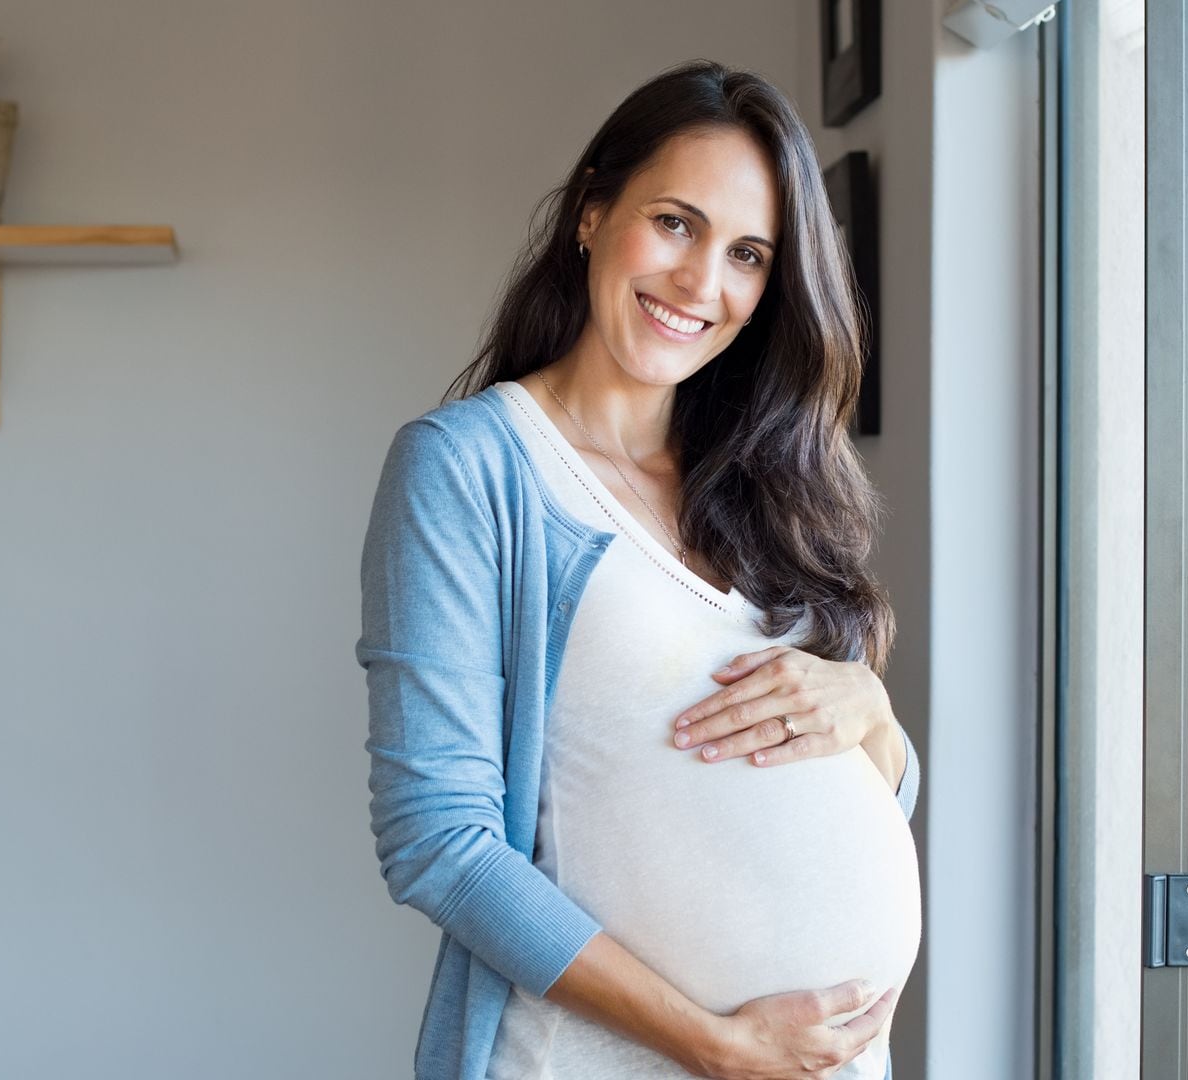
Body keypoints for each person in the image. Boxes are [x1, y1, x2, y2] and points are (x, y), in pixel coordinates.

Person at [358, 58, 923, 1080]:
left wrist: (874, 716)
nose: (702, 283)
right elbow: (438, 842)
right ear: (590, 211)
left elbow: (863, 783)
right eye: (676, 222)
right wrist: (715, 1046)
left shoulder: (764, 484)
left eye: (749, 253)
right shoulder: (474, 468)